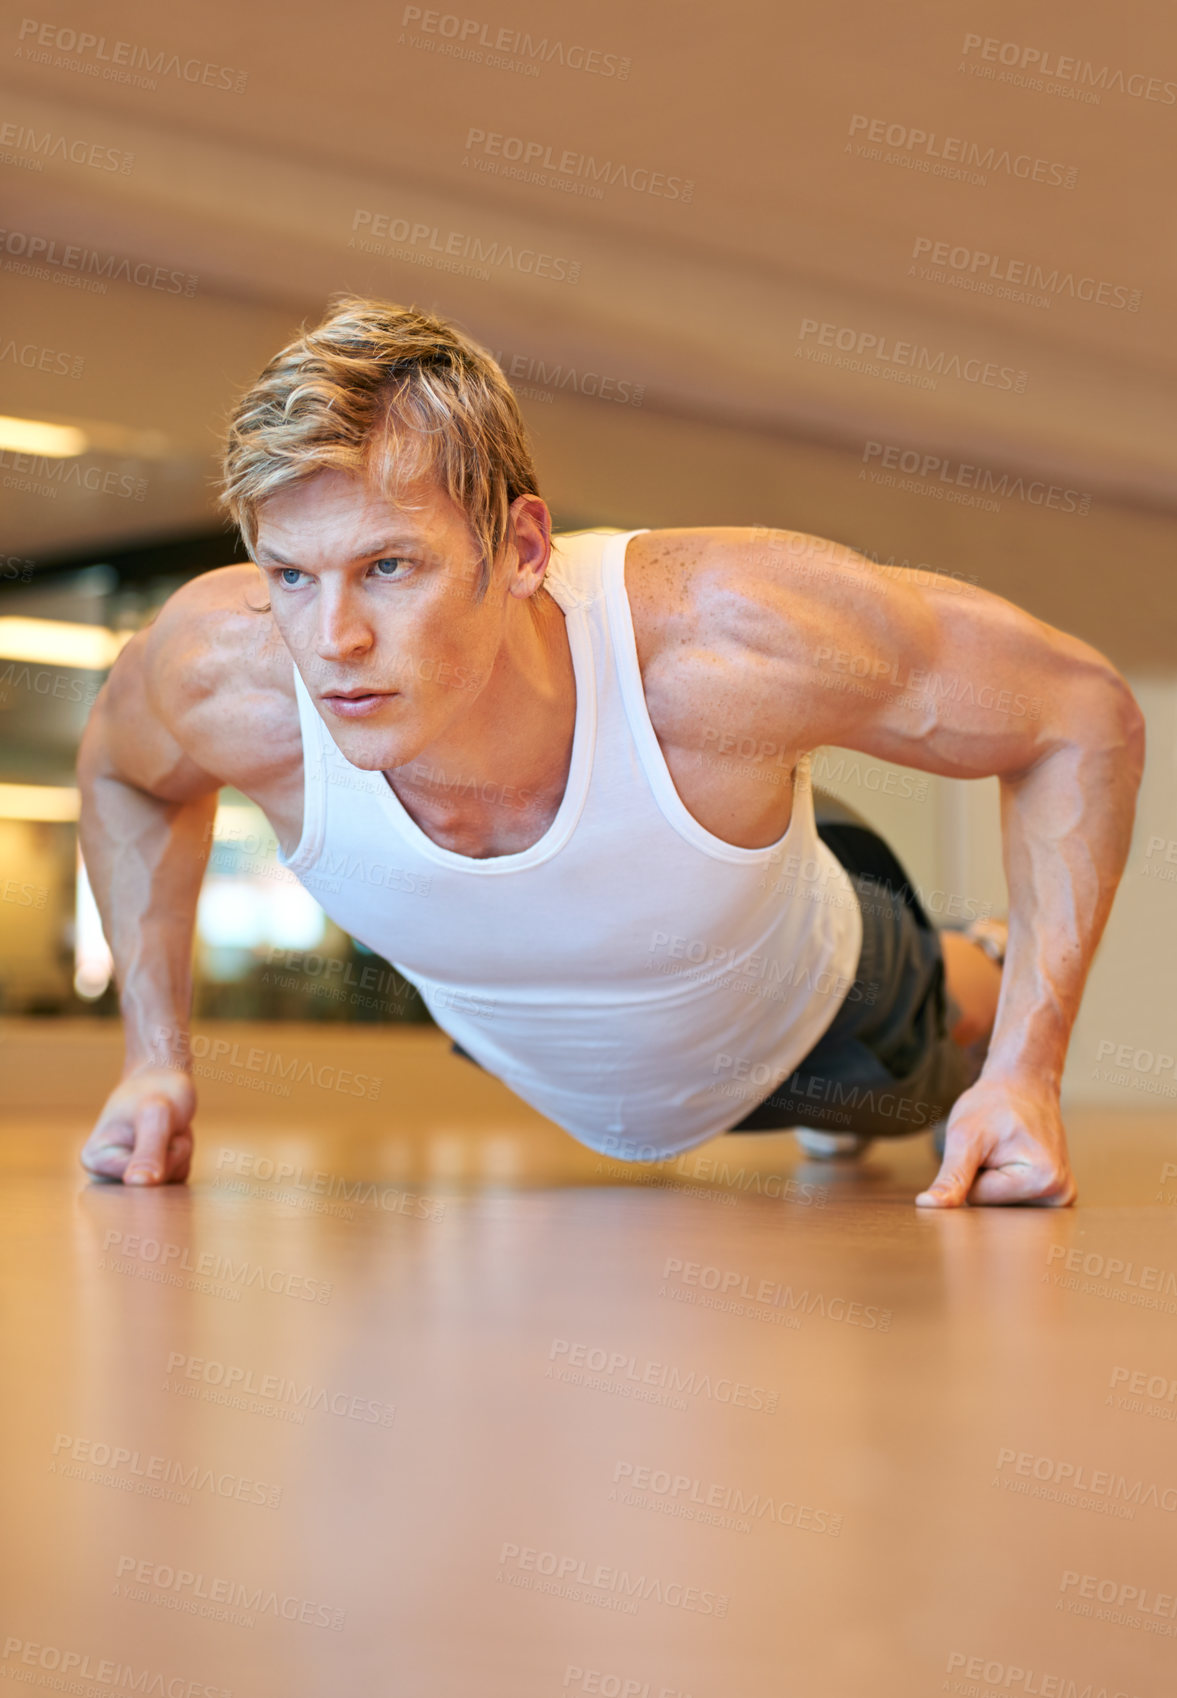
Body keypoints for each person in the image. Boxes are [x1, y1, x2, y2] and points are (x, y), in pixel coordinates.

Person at [75, 296, 1144, 1208]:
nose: (333, 641)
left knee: (932, 1025)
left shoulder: (721, 637)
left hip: (811, 1010)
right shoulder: (227, 670)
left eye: (391, 567)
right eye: (292, 576)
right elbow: (125, 776)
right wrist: (154, 1061)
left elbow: (1078, 715)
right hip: (549, 1008)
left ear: (524, 548)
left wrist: (1023, 1072)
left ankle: (981, 962)